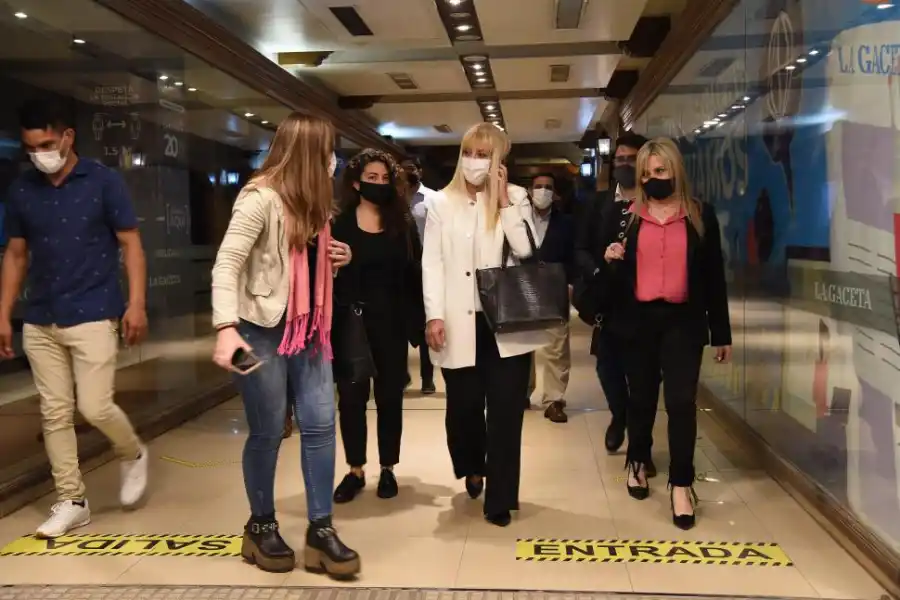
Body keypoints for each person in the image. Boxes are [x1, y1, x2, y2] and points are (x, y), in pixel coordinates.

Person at [211, 112, 360, 577]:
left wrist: (339, 258)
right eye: (329, 151)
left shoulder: (315, 204)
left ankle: (321, 530)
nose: (334, 161)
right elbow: (226, 264)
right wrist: (225, 327)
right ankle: (260, 526)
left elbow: (305, 267)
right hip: (257, 330)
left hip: (309, 329)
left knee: (321, 424)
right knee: (269, 429)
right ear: (309, 153)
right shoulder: (259, 198)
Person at [0, 99, 149, 538]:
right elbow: (16, 255)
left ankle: (132, 452)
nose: (39, 154)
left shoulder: (104, 181)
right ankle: (72, 499)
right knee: (54, 412)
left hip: (94, 310)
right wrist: (3, 314)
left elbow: (131, 245)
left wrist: (136, 303)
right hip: (41, 316)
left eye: (46, 144)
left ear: (68, 137)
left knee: (95, 406)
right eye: (31, 148)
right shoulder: (22, 190)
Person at [600, 137, 731, 530]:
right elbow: (614, 278)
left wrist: (721, 331)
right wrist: (611, 261)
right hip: (638, 321)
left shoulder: (699, 215)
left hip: (683, 322)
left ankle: (682, 483)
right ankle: (638, 461)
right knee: (640, 398)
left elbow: (714, 277)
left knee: (680, 403)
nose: (651, 178)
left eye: (659, 170)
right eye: (646, 173)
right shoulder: (628, 217)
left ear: (675, 170)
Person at [422, 123, 545, 528]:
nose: (475, 161)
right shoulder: (441, 202)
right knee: (464, 410)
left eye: (484, 154)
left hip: (505, 323)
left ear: (499, 160)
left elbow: (527, 250)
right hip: (460, 323)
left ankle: (500, 498)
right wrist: (434, 314)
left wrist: (503, 200)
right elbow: (432, 262)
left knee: (506, 414)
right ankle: (472, 465)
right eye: (469, 152)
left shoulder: (517, 197)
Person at [332, 149, 425, 503]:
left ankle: (388, 467)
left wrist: (418, 322)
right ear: (356, 183)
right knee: (351, 398)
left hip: (391, 322)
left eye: (385, 178)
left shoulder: (402, 223)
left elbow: (414, 272)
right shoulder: (339, 223)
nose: (379, 184)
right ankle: (355, 469)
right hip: (352, 321)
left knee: (389, 397)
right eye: (372, 178)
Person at [574, 133, 658, 474]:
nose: (624, 164)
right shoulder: (597, 203)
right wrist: (599, 268)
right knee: (607, 369)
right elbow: (580, 248)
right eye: (619, 159)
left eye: (631, 159)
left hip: (645, 306)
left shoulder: (655, 204)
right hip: (607, 303)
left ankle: (641, 450)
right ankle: (619, 415)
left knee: (644, 381)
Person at [527, 173, 574, 423]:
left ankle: (554, 400)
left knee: (556, 347)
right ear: (529, 190)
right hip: (522, 288)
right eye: (538, 186)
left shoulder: (566, 223)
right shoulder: (519, 219)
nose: (542, 191)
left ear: (554, 193)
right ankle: (522, 393)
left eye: (548, 187)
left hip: (555, 288)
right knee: (522, 344)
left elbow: (573, 255)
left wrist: (571, 283)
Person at [402, 157, 436, 395]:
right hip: (400, 269)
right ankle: (401, 374)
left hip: (425, 266)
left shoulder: (432, 199)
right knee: (399, 324)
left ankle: (427, 377)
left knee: (424, 323)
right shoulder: (391, 203)